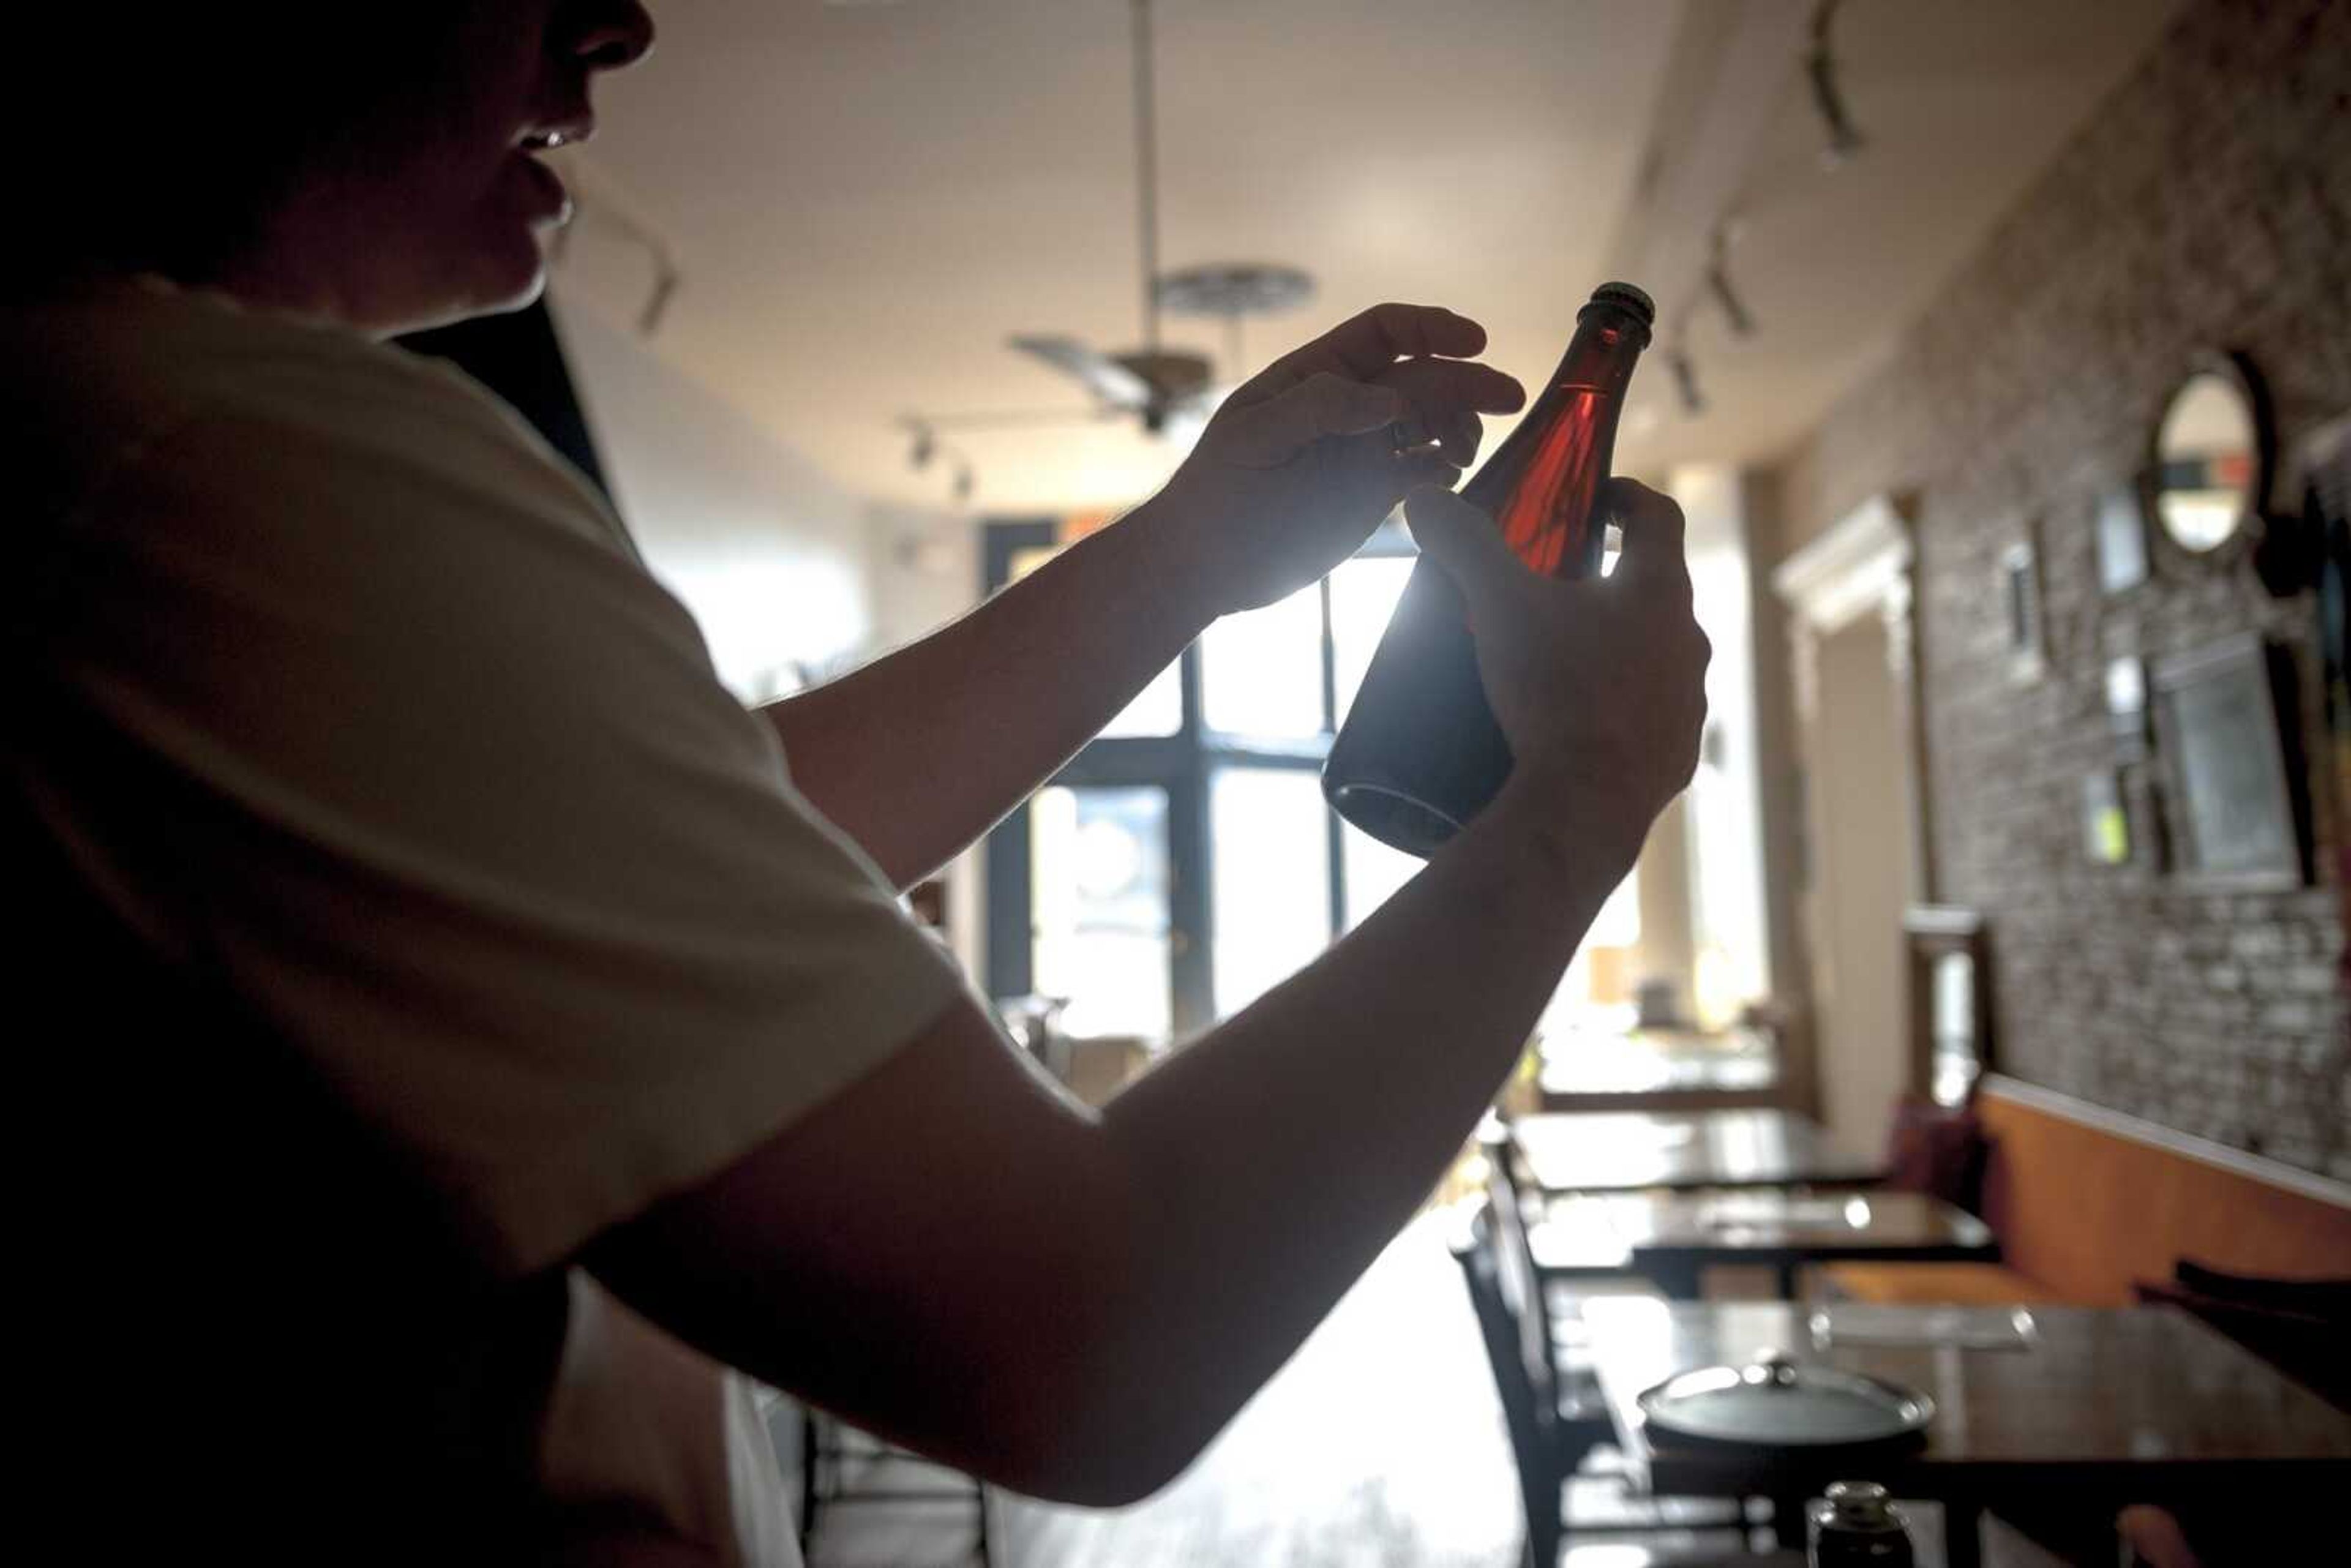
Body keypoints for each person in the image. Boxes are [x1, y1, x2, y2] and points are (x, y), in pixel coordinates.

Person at [7, 3, 1708, 1561]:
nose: (622, 22)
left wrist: (1190, 552)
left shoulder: (95, 439)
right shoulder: (229, 468)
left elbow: (721, 845)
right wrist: (1576, 804)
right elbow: (1082, 1330)